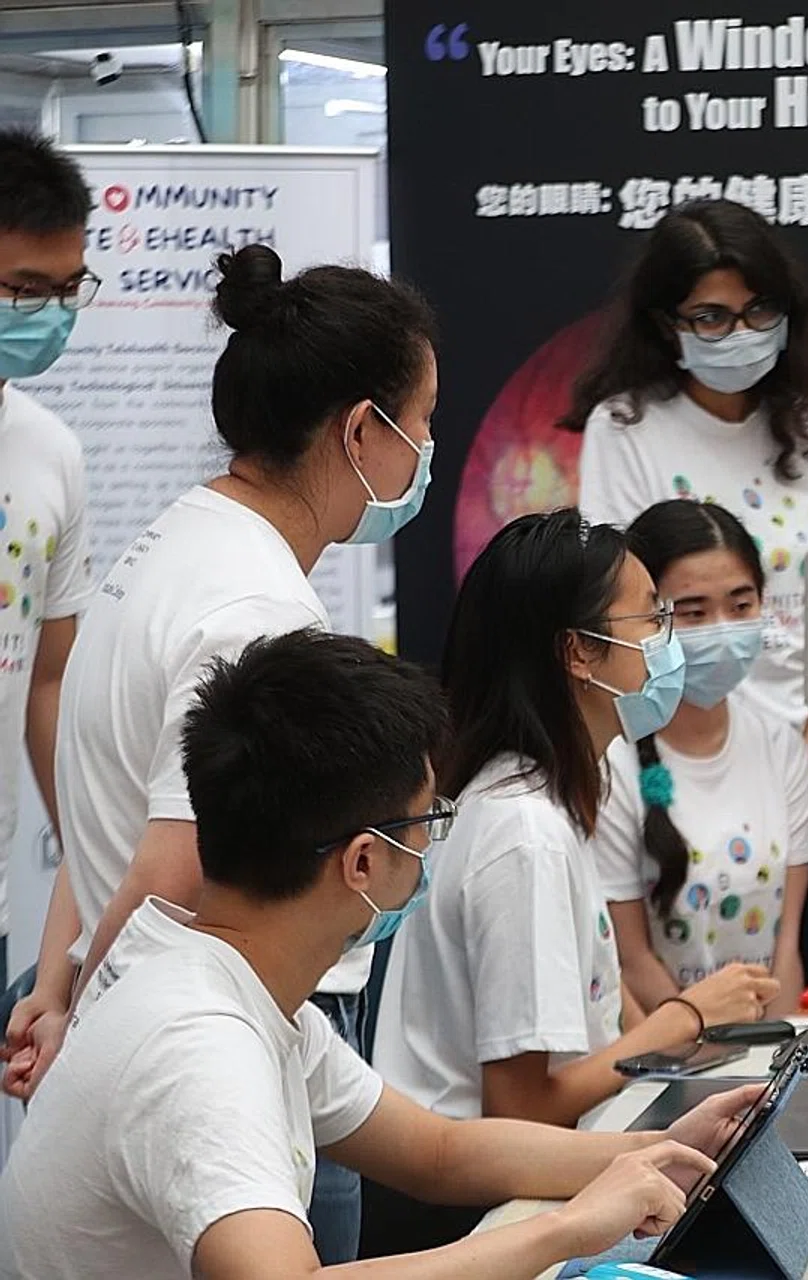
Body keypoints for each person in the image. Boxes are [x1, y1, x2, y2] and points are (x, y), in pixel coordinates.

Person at [0, 628, 757, 1279]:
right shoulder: (199, 1045)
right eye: (427, 821)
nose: (432, 845)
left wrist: (660, 1148)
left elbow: (438, 1152)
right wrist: (570, 1227)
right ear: (363, 861)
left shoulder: (229, 983)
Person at [8, 241, 436, 1262]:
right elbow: (174, 863)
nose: (429, 446)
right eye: (423, 421)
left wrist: (65, 986)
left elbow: (96, 797)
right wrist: (87, 1017)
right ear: (362, 430)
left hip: (161, 1026)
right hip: (208, 1053)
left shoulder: (173, 538)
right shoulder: (255, 605)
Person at [368, 508, 779, 1255]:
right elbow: (521, 1102)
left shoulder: (551, 798)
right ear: (579, 654)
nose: (669, 642)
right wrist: (682, 1018)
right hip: (477, 1214)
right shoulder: (521, 832)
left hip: (523, 1180)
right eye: (652, 617)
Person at [569, 199, 808, 979]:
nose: (737, 335)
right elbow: (616, 608)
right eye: (709, 317)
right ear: (665, 323)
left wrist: (799, 776)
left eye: (756, 312)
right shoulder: (626, 428)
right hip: (672, 757)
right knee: (681, 999)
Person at [592, 499, 808, 1017]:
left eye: (741, 606)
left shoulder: (780, 747)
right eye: (694, 612)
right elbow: (631, 962)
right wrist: (701, 1049)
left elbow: (786, 949)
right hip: (666, 1058)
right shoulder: (611, 764)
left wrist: (770, 1059)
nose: (722, 628)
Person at [0, 129, 92, 1034]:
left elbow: (51, 678)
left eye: (69, 290)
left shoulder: (50, 452)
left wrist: (90, 859)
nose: (52, 315)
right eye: (27, 290)